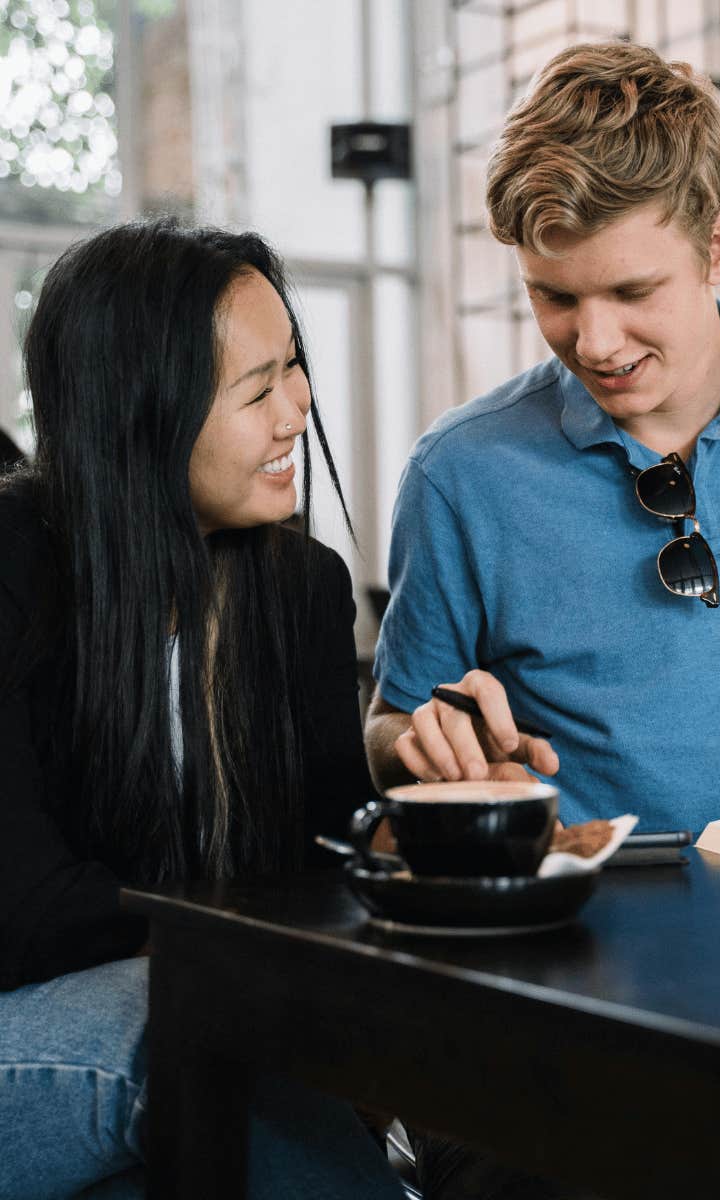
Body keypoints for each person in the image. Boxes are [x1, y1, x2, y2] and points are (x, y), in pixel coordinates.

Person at [364, 39, 720, 1199]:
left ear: (718, 245)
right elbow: (388, 728)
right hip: (542, 995)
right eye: (553, 296)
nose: (593, 342)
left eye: (632, 292)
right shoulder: (459, 474)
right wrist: (420, 749)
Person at [0, 219, 406, 1200]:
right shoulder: (12, 562)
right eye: (258, 387)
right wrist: (251, 953)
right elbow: (22, 914)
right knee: (209, 1020)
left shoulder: (300, 589)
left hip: (196, 1016)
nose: (299, 409)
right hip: (41, 1026)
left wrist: (421, 822)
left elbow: (323, 868)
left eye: (295, 368)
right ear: (142, 412)